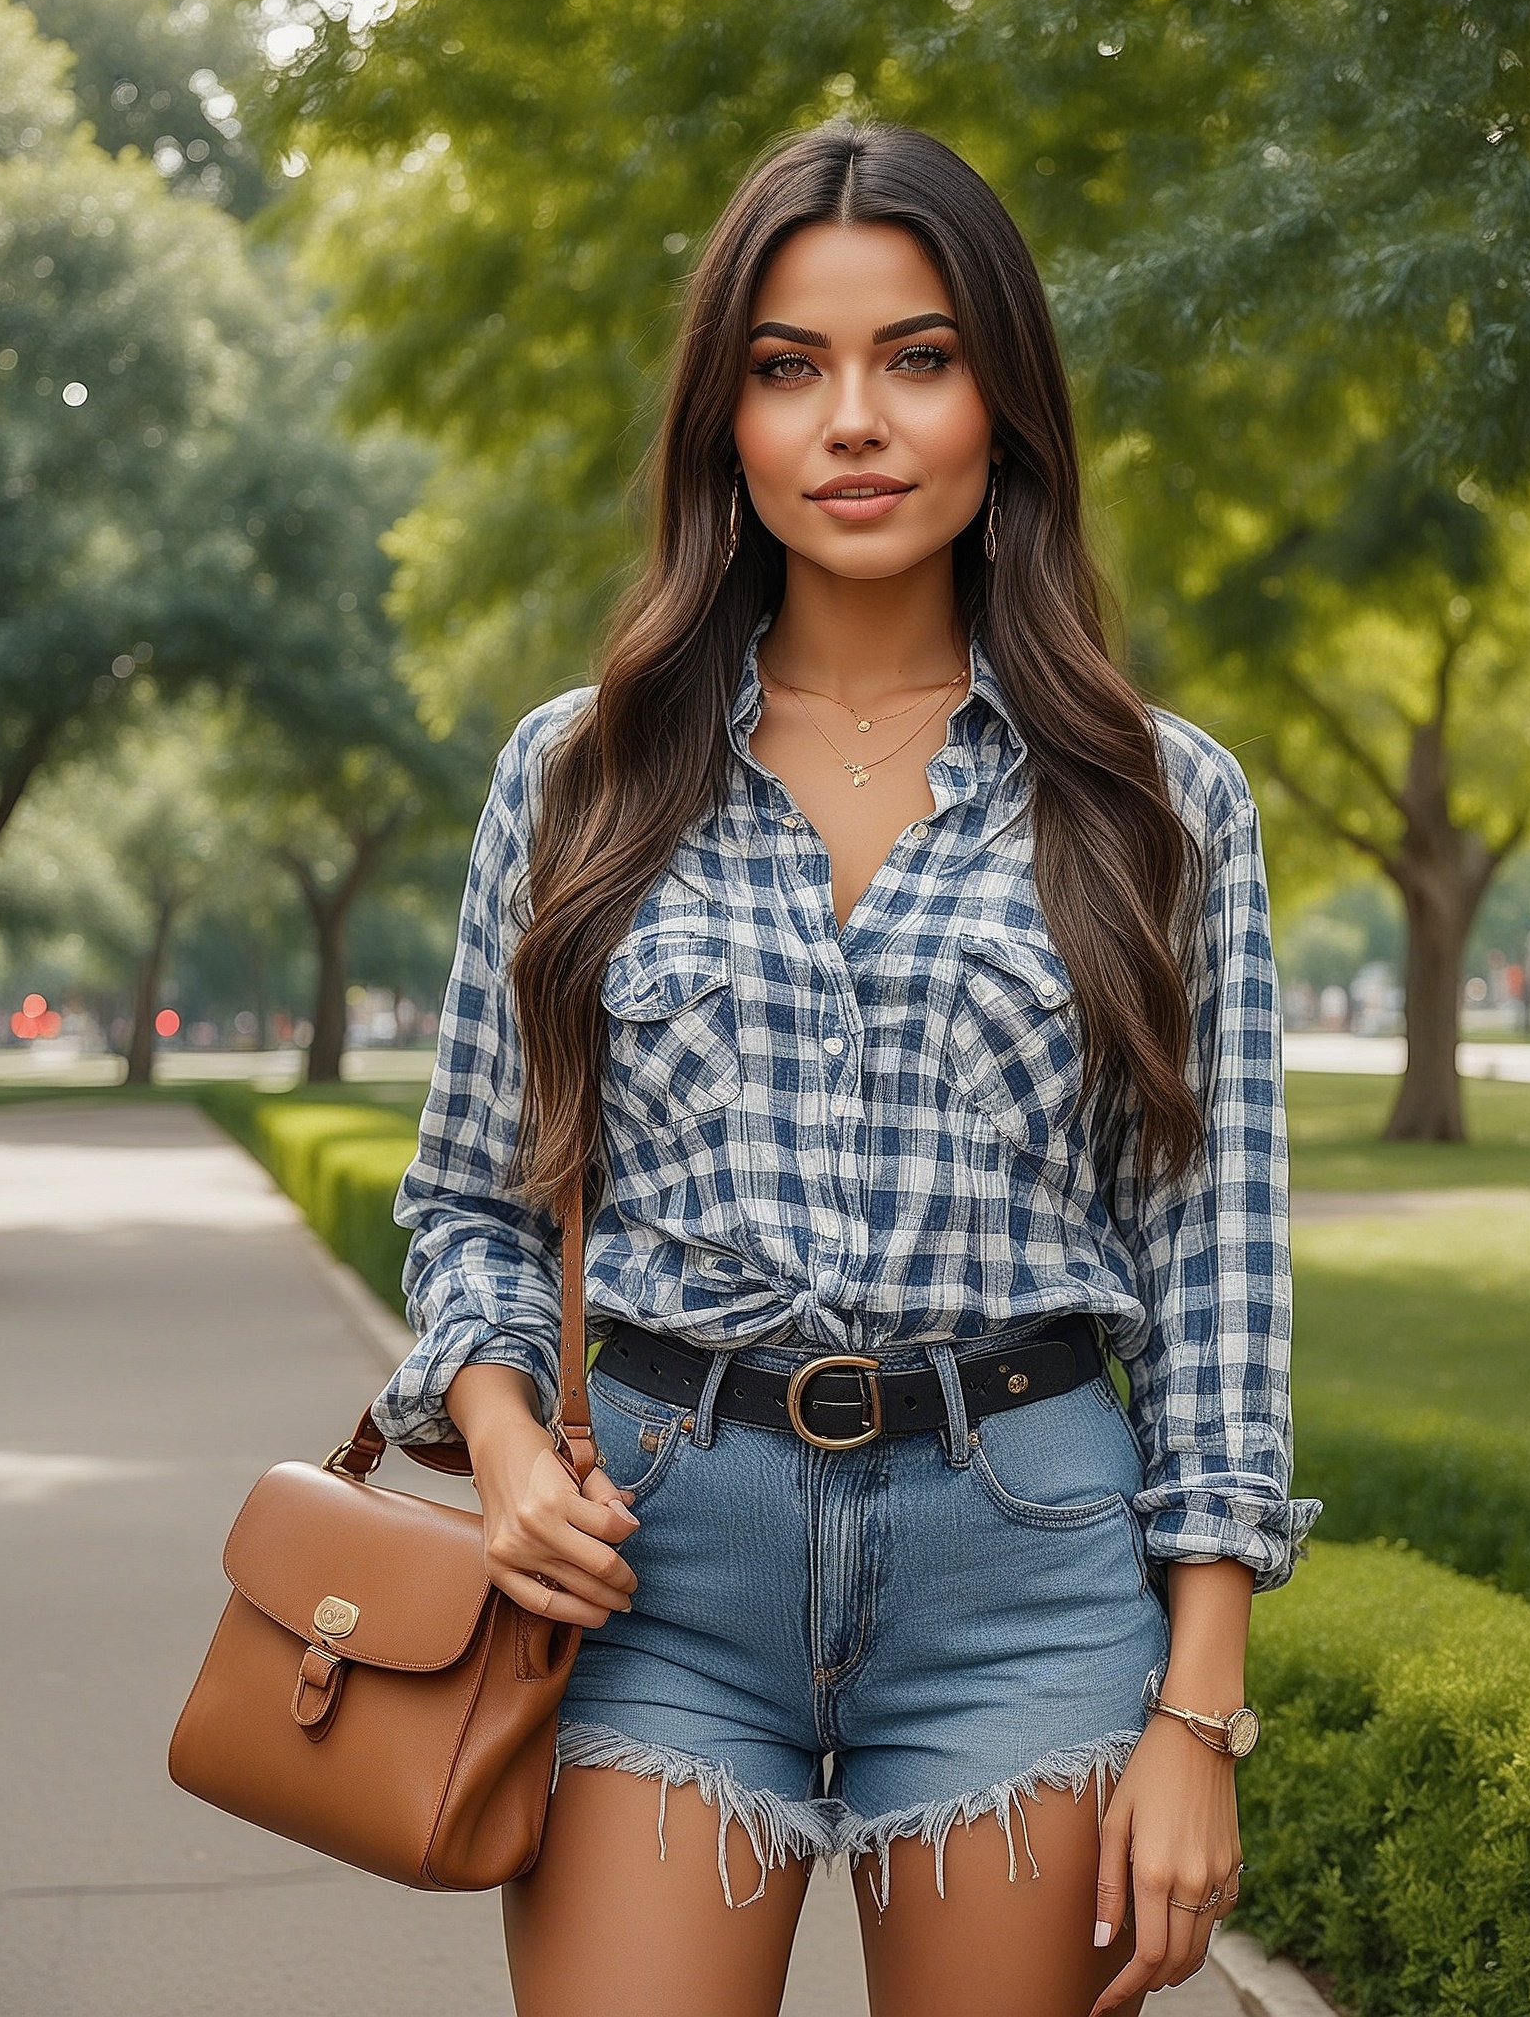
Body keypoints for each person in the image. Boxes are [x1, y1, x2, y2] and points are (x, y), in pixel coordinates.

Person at [375, 120, 1319, 2017]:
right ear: (726, 422)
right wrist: (496, 1450)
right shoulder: (580, 775)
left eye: (920, 356)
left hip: (1025, 1572)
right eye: (789, 368)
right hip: (648, 1566)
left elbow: (1215, 1266)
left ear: (1007, 407)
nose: (854, 422)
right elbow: (474, 1195)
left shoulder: (1156, 799)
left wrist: (1198, 1717)